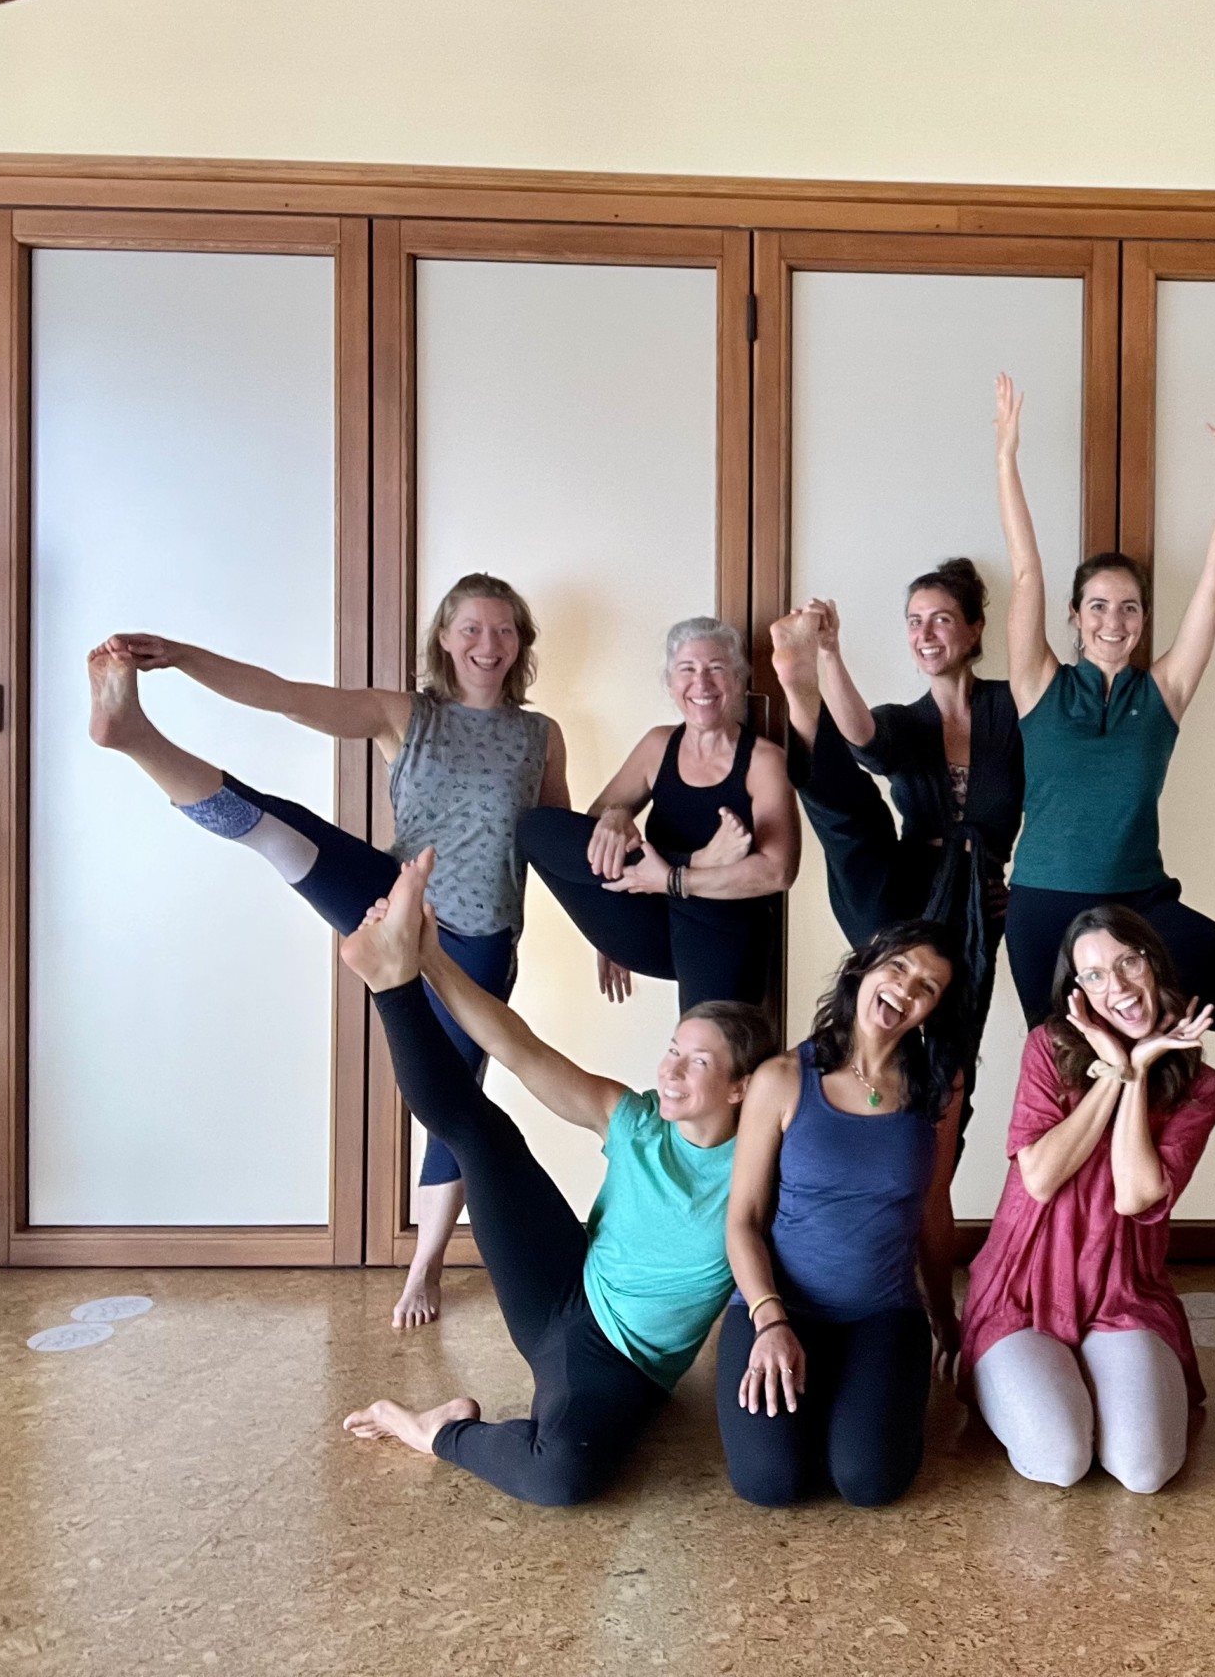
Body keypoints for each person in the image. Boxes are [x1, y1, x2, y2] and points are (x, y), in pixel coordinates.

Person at [85, 573, 566, 1329]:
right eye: (471, 628)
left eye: (503, 630)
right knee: (282, 833)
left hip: (480, 940)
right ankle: (135, 736)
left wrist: (607, 936)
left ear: (521, 643)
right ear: (444, 638)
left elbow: (558, 842)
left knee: (452, 1102)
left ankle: (427, 1264)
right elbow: (281, 693)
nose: (488, 644)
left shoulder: (540, 737)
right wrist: (180, 656)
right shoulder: (401, 714)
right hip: (394, 900)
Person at [332, 851, 778, 1506]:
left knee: (561, 1477)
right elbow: (518, 1048)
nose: (671, 1070)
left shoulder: (760, 1166)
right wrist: (430, 958)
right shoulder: (635, 1121)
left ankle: (435, 1430)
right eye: (673, 1050)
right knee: (482, 1136)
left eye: (698, 1061)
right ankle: (390, 983)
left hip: (619, 1365)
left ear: (743, 1087)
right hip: (558, 1286)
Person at [993, 373, 1215, 1034]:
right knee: (1060, 1063)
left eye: (1128, 608)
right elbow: (1027, 570)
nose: (1113, 621)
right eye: (1098, 606)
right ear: (1075, 615)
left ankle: (1147, 1045)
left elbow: (1210, 593)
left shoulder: (1163, 694)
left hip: (1137, 902)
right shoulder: (1039, 683)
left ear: (1145, 618)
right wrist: (1007, 457)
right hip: (1044, 905)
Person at [962, 907, 1215, 1494]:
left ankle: (1084, 1376)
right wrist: (1111, 1069)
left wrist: (1136, 1072)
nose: (1119, 987)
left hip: (1121, 1291)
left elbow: (1134, 1194)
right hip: (1021, 1291)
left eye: (1127, 962)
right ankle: (1015, 1379)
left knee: (1143, 1471)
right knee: (1060, 1460)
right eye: (1095, 975)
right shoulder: (1048, 1049)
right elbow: (1040, 1176)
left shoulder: (1200, 1088)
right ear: (1077, 991)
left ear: (1153, 963)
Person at [715, 922, 971, 1508]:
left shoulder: (939, 1087)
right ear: (866, 967)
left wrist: (947, 1317)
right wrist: (770, 1321)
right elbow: (743, 1220)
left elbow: (933, 1208)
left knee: (869, 1482)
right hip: (779, 1308)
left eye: (927, 987)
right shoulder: (782, 1078)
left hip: (881, 1314)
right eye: (900, 968)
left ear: (933, 1010)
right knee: (771, 1483)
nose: (907, 990)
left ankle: (854, 1387)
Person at [768, 559, 1021, 1059]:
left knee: (950, 1051)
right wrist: (829, 654)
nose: (924, 633)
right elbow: (865, 738)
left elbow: (1056, 797)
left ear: (975, 630)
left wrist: (1028, 890)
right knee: (852, 808)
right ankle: (802, 694)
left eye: (942, 619)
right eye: (914, 621)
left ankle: (938, 1133)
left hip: (973, 896)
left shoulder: (1012, 709)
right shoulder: (907, 721)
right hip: (897, 888)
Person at [519, 616, 797, 1014]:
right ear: (670, 683)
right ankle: (692, 864)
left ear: (738, 679)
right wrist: (616, 816)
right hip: (654, 922)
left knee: (708, 1055)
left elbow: (778, 872)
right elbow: (595, 826)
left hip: (721, 929)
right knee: (536, 827)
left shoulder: (764, 761)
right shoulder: (658, 745)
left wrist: (675, 878)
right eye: (687, 670)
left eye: (716, 669)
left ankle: (687, 872)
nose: (701, 684)